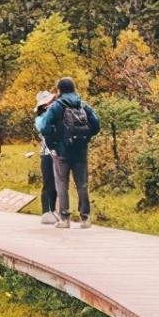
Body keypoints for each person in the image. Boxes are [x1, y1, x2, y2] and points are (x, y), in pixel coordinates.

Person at [38, 77, 100, 228]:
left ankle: (65, 219)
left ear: (59, 90)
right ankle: (85, 218)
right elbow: (96, 124)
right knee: (82, 184)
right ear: (74, 88)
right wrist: (85, 137)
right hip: (80, 151)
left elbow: (44, 127)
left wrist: (54, 140)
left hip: (61, 151)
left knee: (62, 184)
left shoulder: (56, 106)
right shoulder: (83, 104)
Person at [34, 90, 58, 224]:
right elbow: (44, 128)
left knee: (56, 184)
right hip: (47, 154)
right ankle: (46, 211)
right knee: (48, 184)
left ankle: (53, 210)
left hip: (58, 154)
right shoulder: (40, 119)